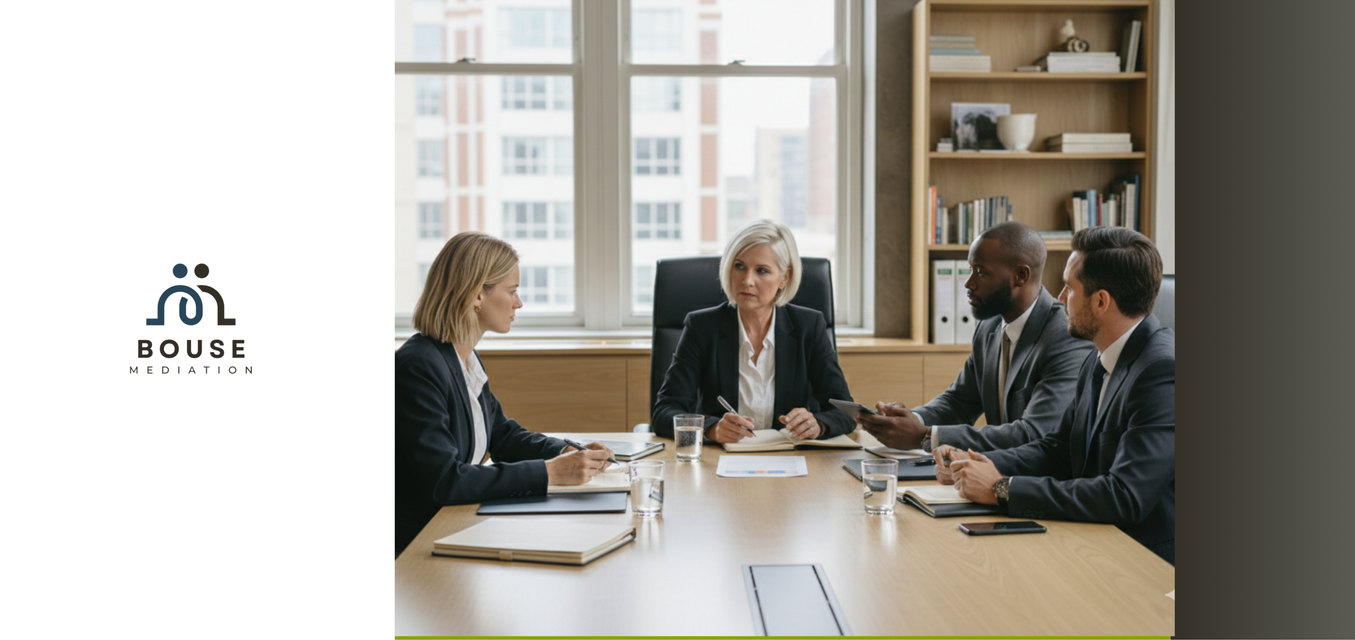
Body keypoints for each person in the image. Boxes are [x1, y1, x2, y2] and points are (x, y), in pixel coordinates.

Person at [938, 226, 1176, 563]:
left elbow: (1124, 495)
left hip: (1145, 563)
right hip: (1093, 541)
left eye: (1069, 288)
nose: (1060, 299)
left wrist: (1001, 488)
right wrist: (974, 463)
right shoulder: (1100, 356)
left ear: (1101, 301)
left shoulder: (1161, 372)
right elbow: (1058, 449)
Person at [394, 232, 615, 557]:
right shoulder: (419, 365)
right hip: (419, 544)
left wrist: (569, 451)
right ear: (476, 295)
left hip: (457, 524)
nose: (518, 302)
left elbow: (502, 436)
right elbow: (445, 480)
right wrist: (551, 472)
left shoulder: (462, 356)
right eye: (511, 291)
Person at [855, 221, 1093, 452]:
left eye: (981, 272)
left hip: (1038, 482)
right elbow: (959, 402)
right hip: (995, 471)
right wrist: (910, 420)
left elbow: (1034, 433)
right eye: (970, 270)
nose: (969, 283)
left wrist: (926, 437)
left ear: (1020, 276)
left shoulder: (1065, 337)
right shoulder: (989, 326)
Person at [651, 220, 855, 444]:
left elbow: (845, 411)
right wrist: (711, 429)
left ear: (784, 278)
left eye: (762, 271)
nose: (747, 280)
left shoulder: (809, 326)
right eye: (739, 266)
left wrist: (818, 424)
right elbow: (664, 412)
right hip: (721, 462)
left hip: (789, 461)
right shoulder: (702, 327)